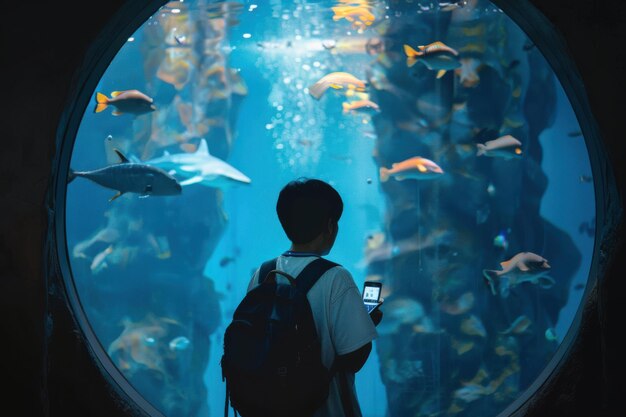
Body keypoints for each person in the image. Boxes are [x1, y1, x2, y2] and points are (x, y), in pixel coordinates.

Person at [247, 177, 383, 417]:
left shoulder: (263, 273)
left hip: (269, 408)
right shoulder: (335, 277)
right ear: (330, 226)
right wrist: (368, 322)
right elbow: (354, 358)